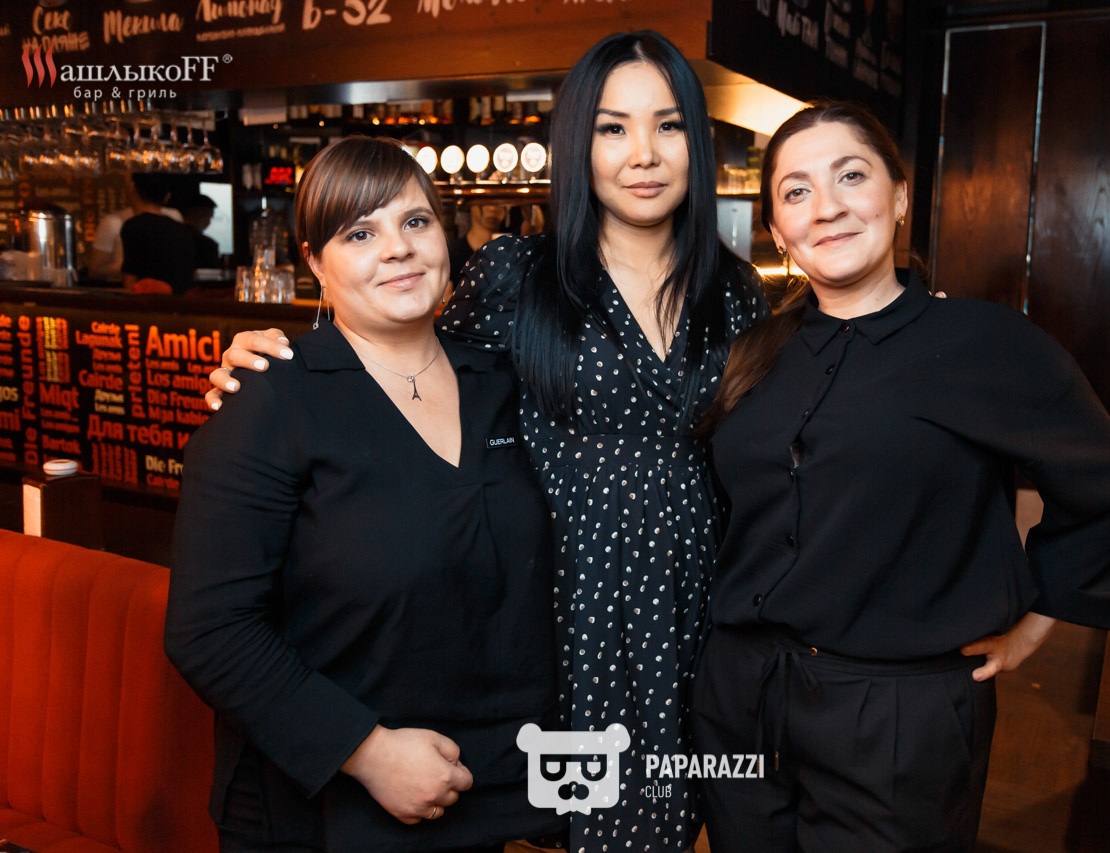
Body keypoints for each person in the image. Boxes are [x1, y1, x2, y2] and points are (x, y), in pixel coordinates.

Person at [204, 31, 767, 852]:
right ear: (576, 142)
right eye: (612, 127)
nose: (643, 153)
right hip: (557, 610)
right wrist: (281, 354)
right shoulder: (516, 276)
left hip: (695, 602)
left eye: (669, 124)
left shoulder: (737, 293)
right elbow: (407, 358)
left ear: (699, 140)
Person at [690, 102, 1110, 852]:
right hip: (740, 694)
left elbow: (1108, 484)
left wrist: (1039, 618)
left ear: (900, 197)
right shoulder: (754, 354)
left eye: (851, 176)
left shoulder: (985, 343)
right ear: (778, 228)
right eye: (797, 191)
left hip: (898, 714)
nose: (826, 207)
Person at [165, 137, 562, 853]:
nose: (397, 248)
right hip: (316, 814)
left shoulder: (505, 383)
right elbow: (210, 629)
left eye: (415, 222)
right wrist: (367, 752)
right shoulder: (270, 400)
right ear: (315, 262)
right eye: (359, 233)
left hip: (474, 795)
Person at [88, 173, 184, 282]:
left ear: (132, 188)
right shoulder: (114, 222)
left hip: (147, 290)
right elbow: (95, 270)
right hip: (129, 289)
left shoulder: (174, 217)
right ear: (167, 196)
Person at [120, 173, 196, 294]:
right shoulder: (182, 229)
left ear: (133, 189)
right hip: (177, 301)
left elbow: (131, 277)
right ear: (166, 196)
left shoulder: (134, 226)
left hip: (147, 301)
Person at [183, 194, 223, 269]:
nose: (209, 223)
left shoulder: (170, 237)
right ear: (201, 216)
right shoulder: (208, 245)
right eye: (209, 218)